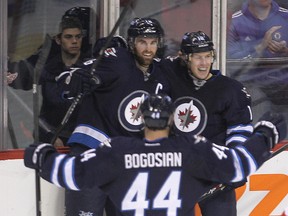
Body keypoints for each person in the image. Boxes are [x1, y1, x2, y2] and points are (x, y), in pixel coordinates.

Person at [23, 93, 287, 216]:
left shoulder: (117, 151)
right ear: (171, 119)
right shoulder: (190, 149)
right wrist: (264, 136)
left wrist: (40, 155)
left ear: (142, 119)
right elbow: (238, 166)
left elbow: (70, 174)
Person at [58, 17, 171, 216]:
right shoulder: (117, 59)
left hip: (127, 161)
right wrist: (80, 79)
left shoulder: (160, 74)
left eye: (153, 42)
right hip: (92, 151)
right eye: (142, 42)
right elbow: (69, 76)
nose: (148, 48)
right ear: (131, 43)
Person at [161, 31, 253, 216]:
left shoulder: (230, 89)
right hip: (177, 174)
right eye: (197, 57)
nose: (204, 63)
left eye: (208, 56)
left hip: (215, 174)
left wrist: (233, 163)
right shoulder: (171, 78)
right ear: (185, 58)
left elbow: (240, 130)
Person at [227, 0, 288, 131]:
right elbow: (229, 61)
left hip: (284, 89)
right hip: (253, 89)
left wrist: (285, 51)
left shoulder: (286, 16)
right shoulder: (235, 21)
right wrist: (260, 47)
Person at [38, 16, 91, 147]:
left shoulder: (91, 69)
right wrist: (51, 137)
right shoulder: (48, 70)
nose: (74, 41)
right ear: (58, 39)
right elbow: (42, 115)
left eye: (78, 37)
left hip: (84, 140)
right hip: (55, 141)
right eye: (68, 37)